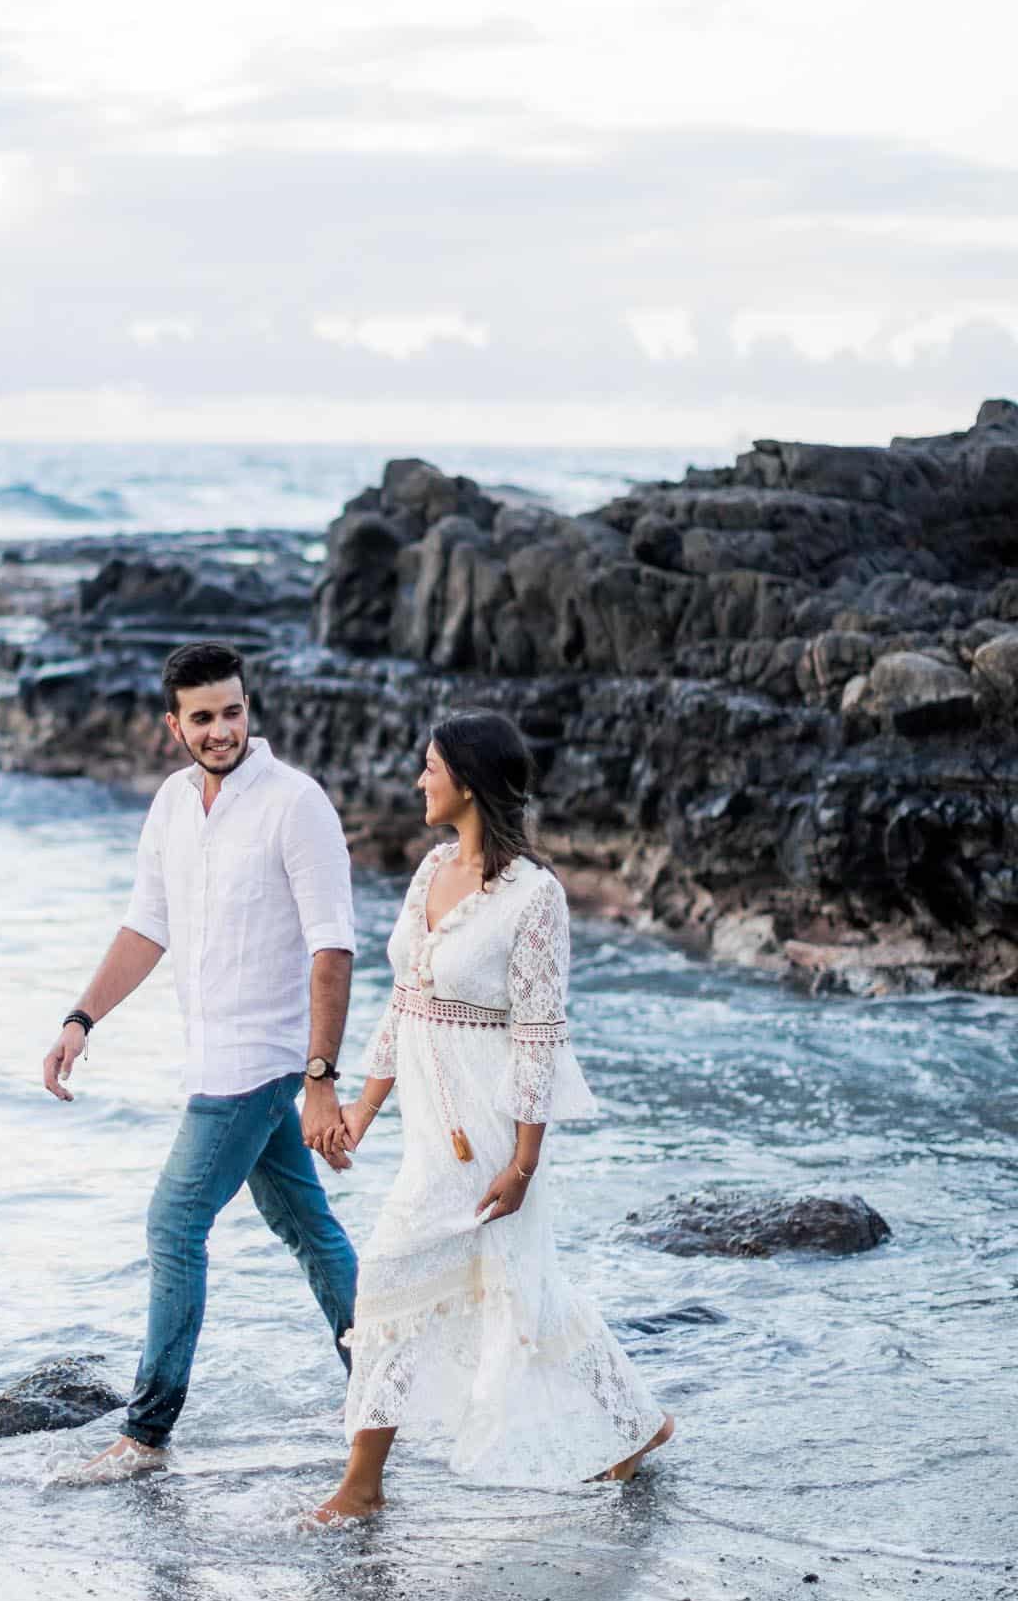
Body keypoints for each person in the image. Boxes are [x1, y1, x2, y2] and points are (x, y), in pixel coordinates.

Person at [313, 710, 673, 1520]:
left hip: (489, 1124)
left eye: (430, 766)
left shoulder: (536, 898)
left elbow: (540, 1036)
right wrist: (363, 1114)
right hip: (427, 1119)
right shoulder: (430, 870)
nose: (418, 780)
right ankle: (633, 1427)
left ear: (468, 782)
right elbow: (404, 1002)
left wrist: (523, 1164)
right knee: (526, 1286)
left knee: (389, 1275)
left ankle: (362, 1486)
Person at [42, 639, 359, 1480]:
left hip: (260, 1062)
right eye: (204, 717)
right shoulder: (173, 806)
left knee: (173, 1225)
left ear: (248, 709)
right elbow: (148, 926)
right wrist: (83, 1018)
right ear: (172, 724)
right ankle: (385, 1381)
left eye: (233, 711)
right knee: (306, 1227)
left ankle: (146, 1433)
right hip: (211, 1056)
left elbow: (334, 949)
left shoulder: (297, 804)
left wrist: (322, 1079)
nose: (222, 730)